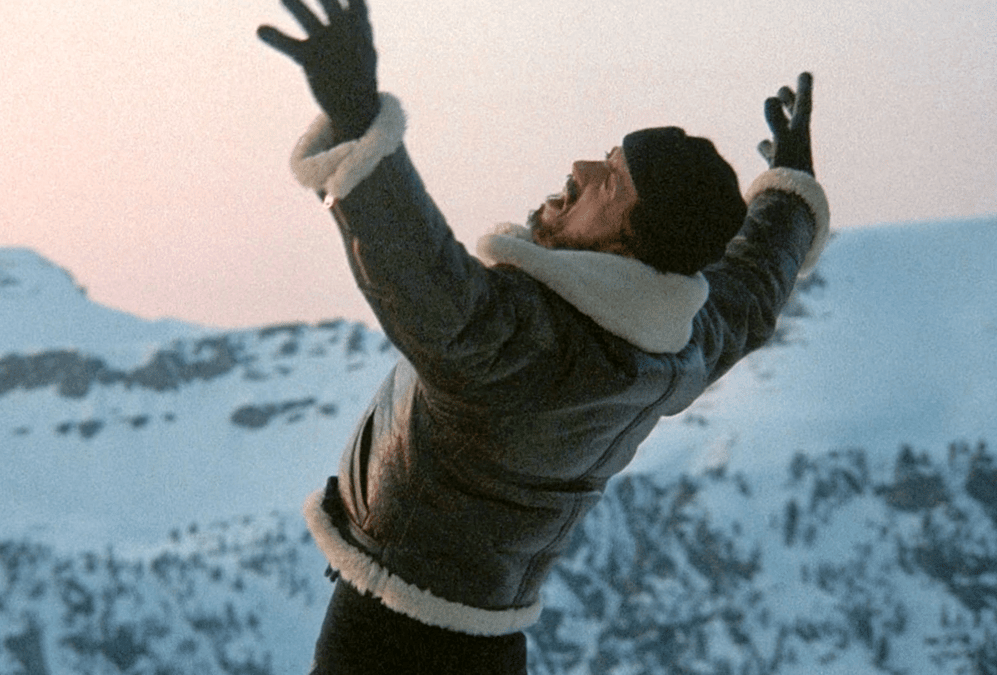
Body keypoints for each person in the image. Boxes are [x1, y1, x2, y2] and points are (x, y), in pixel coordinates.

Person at [257, 1, 830, 673]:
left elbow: (416, 267)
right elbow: (753, 287)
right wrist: (790, 191)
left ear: (631, 242)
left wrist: (358, 120)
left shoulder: (526, 347)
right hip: (490, 646)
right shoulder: (678, 344)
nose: (581, 169)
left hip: (389, 643)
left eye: (611, 181)